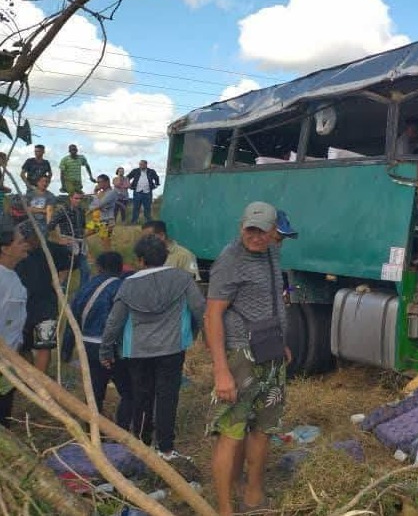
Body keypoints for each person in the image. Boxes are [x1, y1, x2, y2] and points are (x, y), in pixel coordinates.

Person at [206, 201, 291, 516]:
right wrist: (221, 371)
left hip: (269, 352)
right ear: (241, 226)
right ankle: (225, 509)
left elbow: (271, 301)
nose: (256, 236)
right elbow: (213, 315)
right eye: (250, 229)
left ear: (272, 231)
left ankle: (253, 496)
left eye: (262, 230)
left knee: (262, 428)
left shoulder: (271, 252)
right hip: (240, 355)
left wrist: (280, 343)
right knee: (232, 431)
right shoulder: (230, 260)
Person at [100, 235, 204, 460]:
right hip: (172, 349)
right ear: (166, 256)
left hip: (137, 351)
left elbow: (114, 321)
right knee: (168, 397)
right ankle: (166, 448)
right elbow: (199, 308)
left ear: (139, 260)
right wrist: (206, 337)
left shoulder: (128, 284)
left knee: (141, 396)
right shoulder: (182, 279)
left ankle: (142, 444)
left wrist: (106, 350)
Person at [68, 251, 133, 427]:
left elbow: (72, 316)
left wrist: (67, 350)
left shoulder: (86, 287)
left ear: (98, 268)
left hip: (87, 344)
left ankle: (93, 431)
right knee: (129, 392)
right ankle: (123, 430)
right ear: (120, 268)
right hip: (112, 346)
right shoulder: (121, 286)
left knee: (95, 392)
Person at [16, 223, 72, 374]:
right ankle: (29, 376)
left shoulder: (54, 249)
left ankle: (41, 380)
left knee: (45, 343)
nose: (27, 242)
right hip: (20, 304)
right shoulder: (16, 251)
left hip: (46, 304)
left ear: (38, 236)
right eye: (23, 239)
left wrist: (59, 282)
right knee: (22, 345)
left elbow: (65, 267)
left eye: (29, 238)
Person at [0, 222, 30, 427]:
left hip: (10, 359)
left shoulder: (14, 277)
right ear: (5, 248)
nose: (25, 245)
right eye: (20, 242)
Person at [49, 192, 91, 285]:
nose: (78, 201)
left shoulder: (81, 211)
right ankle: (61, 292)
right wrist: (59, 240)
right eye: (76, 198)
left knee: (86, 270)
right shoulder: (62, 211)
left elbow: (83, 228)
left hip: (80, 244)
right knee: (66, 271)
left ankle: (83, 293)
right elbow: (50, 226)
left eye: (80, 199)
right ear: (70, 198)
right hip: (68, 244)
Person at [89, 175, 119, 251]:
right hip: (98, 220)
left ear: (106, 182)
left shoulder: (112, 192)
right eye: (97, 182)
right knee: (82, 235)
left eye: (99, 182)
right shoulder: (100, 193)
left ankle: (109, 260)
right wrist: (96, 194)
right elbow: (92, 206)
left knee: (106, 244)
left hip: (107, 221)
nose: (98, 184)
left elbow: (99, 204)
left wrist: (96, 195)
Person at [127, 160, 160, 225]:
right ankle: (134, 222)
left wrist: (156, 185)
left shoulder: (151, 171)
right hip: (137, 192)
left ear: (146, 165)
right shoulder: (135, 171)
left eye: (142, 164)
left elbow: (156, 178)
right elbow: (128, 177)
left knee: (147, 208)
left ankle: (149, 222)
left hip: (147, 192)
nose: (140, 166)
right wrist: (128, 185)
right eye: (140, 164)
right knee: (136, 207)